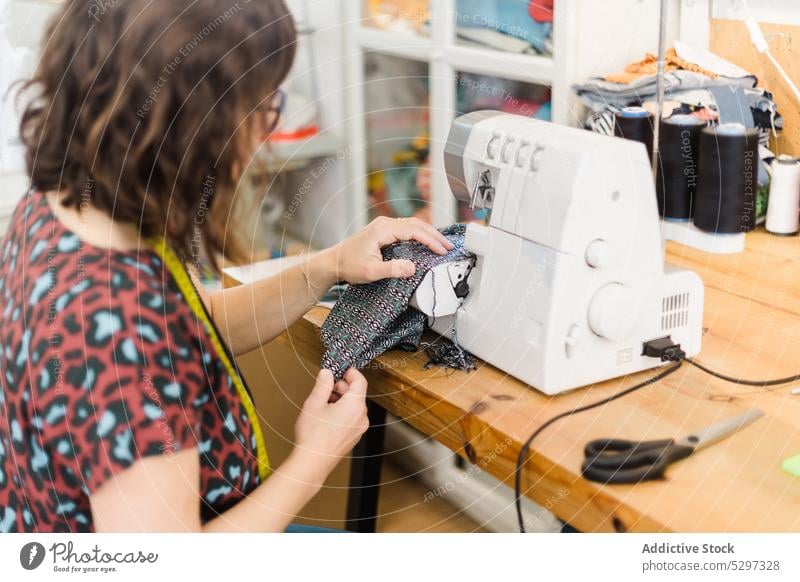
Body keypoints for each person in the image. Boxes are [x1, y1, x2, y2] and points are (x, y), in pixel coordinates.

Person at [0, 0, 453, 533]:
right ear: (197, 121)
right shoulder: (118, 331)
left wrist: (326, 266)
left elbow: (197, 328)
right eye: (264, 106)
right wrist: (314, 457)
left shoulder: (66, 207)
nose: (265, 130)